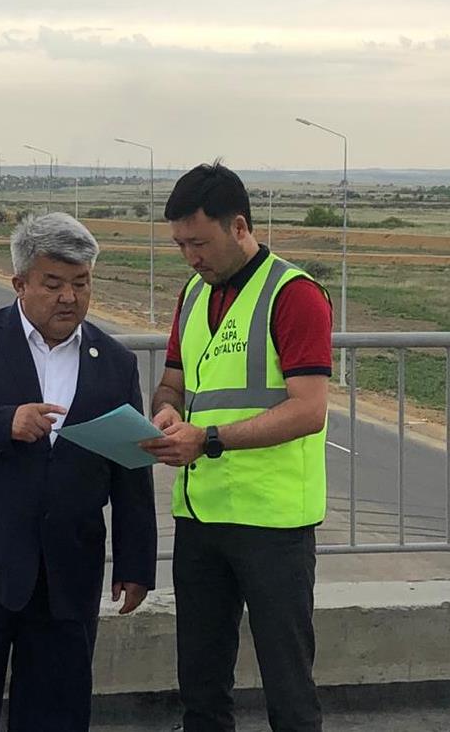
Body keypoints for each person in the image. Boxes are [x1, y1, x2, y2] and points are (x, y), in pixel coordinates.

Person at [0, 212, 157, 732]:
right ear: (19, 284)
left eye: (81, 283)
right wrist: (4, 423)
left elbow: (130, 466)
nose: (69, 297)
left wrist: (136, 563)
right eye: (53, 283)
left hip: (67, 573)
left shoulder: (113, 361)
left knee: (57, 715)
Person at [142, 162, 333, 732]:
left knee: (289, 690)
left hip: (272, 523)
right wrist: (166, 411)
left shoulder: (293, 294)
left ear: (240, 227)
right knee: (201, 687)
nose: (190, 257)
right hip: (201, 515)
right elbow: (173, 382)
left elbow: (309, 409)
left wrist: (209, 439)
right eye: (180, 245)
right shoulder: (192, 295)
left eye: (199, 243)